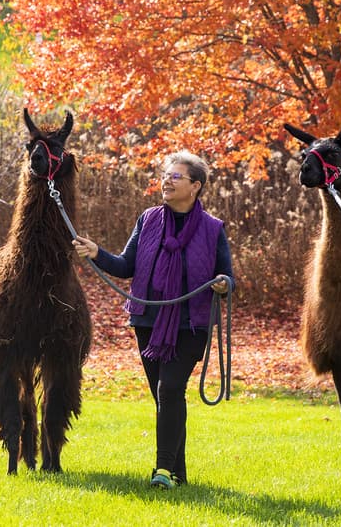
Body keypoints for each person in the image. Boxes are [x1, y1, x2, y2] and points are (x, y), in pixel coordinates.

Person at [73, 150, 234, 489]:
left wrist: (223, 284)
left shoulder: (212, 229)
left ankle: (162, 470)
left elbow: (227, 276)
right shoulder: (147, 220)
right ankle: (179, 473)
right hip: (148, 321)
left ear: (195, 186)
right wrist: (97, 253)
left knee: (170, 387)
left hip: (192, 323)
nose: (167, 181)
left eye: (176, 176)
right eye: (166, 175)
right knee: (167, 397)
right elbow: (126, 266)